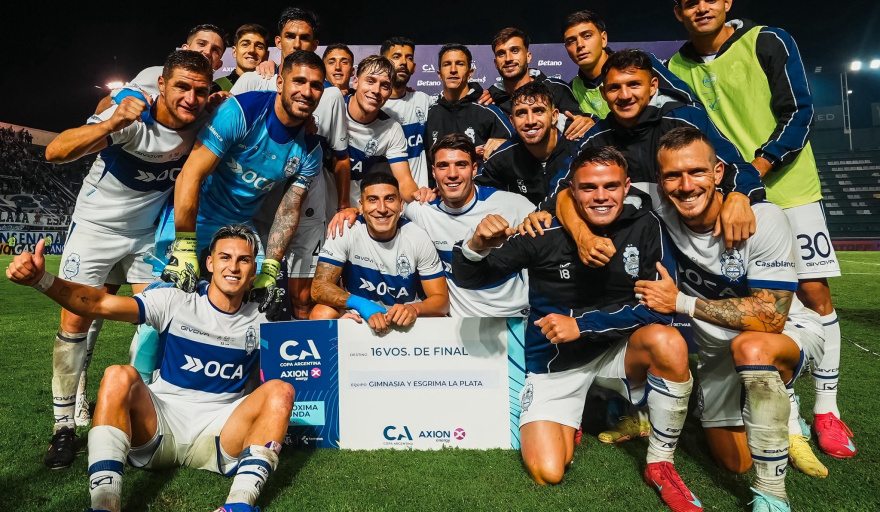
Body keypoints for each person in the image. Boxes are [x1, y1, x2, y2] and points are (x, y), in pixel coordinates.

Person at [452, 147, 702, 512]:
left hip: (618, 351)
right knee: (547, 471)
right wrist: (475, 245)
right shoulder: (542, 229)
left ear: (626, 186)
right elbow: (470, 278)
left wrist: (581, 325)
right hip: (558, 361)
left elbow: (661, 309)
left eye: (610, 186)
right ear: (571, 190)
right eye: (588, 188)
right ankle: (589, 411)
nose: (601, 196)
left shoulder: (647, 226)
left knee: (668, 342)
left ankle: (660, 463)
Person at [667, 0, 854, 465]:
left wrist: (752, 174)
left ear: (727, 2)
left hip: (786, 187)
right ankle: (785, 413)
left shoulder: (767, 40)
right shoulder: (676, 66)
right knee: (749, 295)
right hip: (725, 192)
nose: (701, 7)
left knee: (813, 292)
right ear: (678, 12)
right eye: (690, 2)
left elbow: (800, 113)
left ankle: (827, 410)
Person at [6, 226, 294, 512]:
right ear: (210, 263)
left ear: (254, 269)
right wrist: (41, 280)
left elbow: (303, 352)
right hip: (160, 425)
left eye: (244, 260)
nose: (233, 267)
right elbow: (98, 303)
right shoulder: (175, 300)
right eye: (225, 257)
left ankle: (238, 505)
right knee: (118, 375)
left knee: (281, 391)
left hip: (220, 434)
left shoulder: (264, 317)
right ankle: (104, 505)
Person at [635, 127, 825, 512]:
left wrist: (681, 302)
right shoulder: (659, 211)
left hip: (786, 335)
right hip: (716, 354)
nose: (686, 186)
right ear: (660, 180)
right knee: (734, 462)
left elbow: (771, 316)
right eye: (673, 176)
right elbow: (590, 189)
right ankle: (769, 407)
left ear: (718, 172)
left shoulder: (763, 217)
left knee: (751, 346)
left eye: (697, 172)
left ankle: (772, 493)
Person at [40, 50, 213, 468]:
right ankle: (63, 428)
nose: (191, 98)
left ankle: (142, 414)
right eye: (182, 87)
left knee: (156, 320)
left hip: (145, 237)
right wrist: (112, 121)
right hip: (95, 229)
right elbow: (56, 151)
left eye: (200, 91)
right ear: (161, 85)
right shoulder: (133, 118)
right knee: (75, 322)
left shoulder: (203, 122)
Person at [161, 49, 325, 321]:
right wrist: (185, 246)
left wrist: (270, 267)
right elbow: (191, 175)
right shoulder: (241, 112)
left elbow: (289, 209)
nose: (307, 92)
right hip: (197, 215)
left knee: (257, 312)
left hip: (241, 225)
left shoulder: (311, 149)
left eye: (316, 86)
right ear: (280, 83)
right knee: (163, 306)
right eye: (299, 81)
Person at [330, 133, 533, 318]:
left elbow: (546, 238)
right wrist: (354, 211)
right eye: (443, 166)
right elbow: (384, 213)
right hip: (458, 322)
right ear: (434, 172)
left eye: (461, 165)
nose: (452, 174)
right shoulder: (421, 211)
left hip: (515, 317)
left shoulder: (512, 205)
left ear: (474, 169)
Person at [232, 7, 351, 320]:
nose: (297, 43)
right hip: (256, 209)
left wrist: (342, 206)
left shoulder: (330, 96)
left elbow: (340, 156)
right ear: (277, 41)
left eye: (305, 38)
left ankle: (305, 354)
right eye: (290, 36)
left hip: (308, 207)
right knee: (248, 294)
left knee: (303, 299)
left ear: (315, 44)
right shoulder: (252, 82)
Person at [311, 172, 449, 334]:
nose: (382, 209)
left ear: (401, 204)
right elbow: (318, 288)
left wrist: (414, 309)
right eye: (373, 200)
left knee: (438, 319)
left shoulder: (417, 237)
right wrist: (363, 306)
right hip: (361, 315)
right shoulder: (345, 230)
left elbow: (442, 302)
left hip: (406, 319)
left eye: (389, 199)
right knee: (321, 314)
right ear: (361, 206)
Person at [476, 82, 581, 207]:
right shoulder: (503, 156)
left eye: (538, 111)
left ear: (554, 116)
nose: (530, 121)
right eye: (521, 113)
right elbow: (476, 193)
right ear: (512, 121)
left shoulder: (578, 145)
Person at [486, 27, 593, 139]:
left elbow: (580, 125)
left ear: (528, 57)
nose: (508, 58)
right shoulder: (490, 99)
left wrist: (588, 121)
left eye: (515, 50)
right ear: (495, 63)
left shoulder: (556, 89)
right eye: (501, 54)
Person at [342, 55, 422, 204]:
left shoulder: (391, 129)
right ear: (355, 82)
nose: (376, 90)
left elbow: (404, 181)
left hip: (355, 212)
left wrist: (420, 197)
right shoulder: (333, 107)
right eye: (370, 81)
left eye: (385, 86)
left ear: (390, 92)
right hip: (315, 210)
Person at [96, 25, 225, 113]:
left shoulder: (215, 93)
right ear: (185, 49)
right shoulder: (155, 74)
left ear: (218, 65)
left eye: (215, 50)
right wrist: (121, 97)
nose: (207, 51)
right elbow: (101, 112)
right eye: (201, 44)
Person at [424, 44, 512, 166]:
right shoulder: (429, 114)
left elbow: (517, 147)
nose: (453, 69)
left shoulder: (488, 111)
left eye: (460, 64)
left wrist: (503, 143)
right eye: (447, 64)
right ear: (439, 74)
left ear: (470, 73)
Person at [380, 37, 436, 188]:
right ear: (382, 63)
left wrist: (478, 90)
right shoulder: (372, 106)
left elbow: (455, 100)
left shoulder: (422, 100)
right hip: (382, 197)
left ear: (414, 67)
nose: (403, 62)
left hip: (418, 197)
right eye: (396, 57)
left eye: (409, 58)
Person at [561, 10, 612, 118]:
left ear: (603, 39)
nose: (580, 45)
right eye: (571, 41)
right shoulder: (570, 92)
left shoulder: (638, 67)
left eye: (587, 36)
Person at [213, 24, 270, 92]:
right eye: (245, 44)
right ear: (234, 51)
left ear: (267, 55)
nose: (252, 50)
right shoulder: (216, 87)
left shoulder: (274, 87)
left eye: (259, 47)